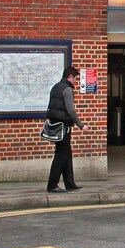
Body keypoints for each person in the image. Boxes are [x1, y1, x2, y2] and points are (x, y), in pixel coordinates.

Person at [46, 64, 83, 192]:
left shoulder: (55, 87)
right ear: (70, 76)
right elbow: (70, 110)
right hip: (64, 125)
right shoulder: (67, 89)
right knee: (60, 155)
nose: (76, 82)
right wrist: (80, 124)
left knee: (67, 154)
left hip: (56, 125)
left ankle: (70, 183)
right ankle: (52, 185)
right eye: (75, 79)